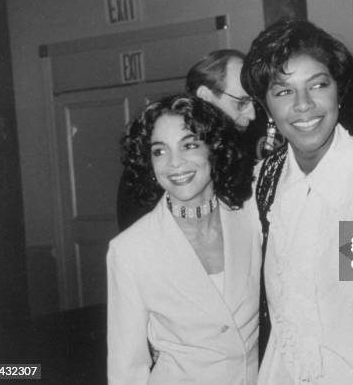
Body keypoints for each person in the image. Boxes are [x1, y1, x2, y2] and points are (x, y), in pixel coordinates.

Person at [241, 18, 353, 385]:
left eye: (318, 85)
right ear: (266, 107)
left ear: (338, 91)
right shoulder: (262, 182)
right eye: (283, 91)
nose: (304, 105)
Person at [107, 95, 261, 384]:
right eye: (159, 151)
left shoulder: (251, 217)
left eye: (189, 145)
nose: (175, 163)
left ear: (213, 149)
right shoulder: (130, 250)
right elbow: (126, 367)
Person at [116, 49, 260, 232]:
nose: (252, 115)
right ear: (205, 96)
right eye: (241, 102)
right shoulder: (152, 166)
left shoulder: (236, 155)